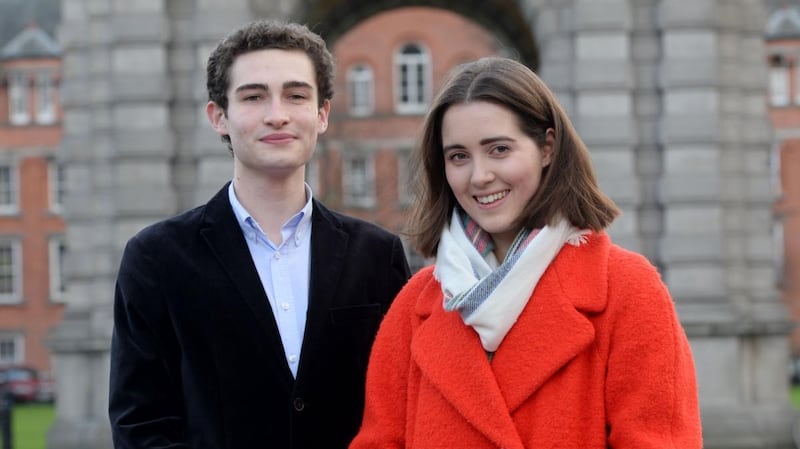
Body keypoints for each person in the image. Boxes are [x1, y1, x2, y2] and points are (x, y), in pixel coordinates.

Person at [349, 57, 702, 448]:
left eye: (499, 149)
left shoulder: (628, 290)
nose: (479, 176)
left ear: (547, 147)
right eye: (459, 156)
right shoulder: (415, 305)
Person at [109, 19, 411, 449]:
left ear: (322, 114)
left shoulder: (378, 255)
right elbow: (140, 426)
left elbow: (400, 408)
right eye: (253, 97)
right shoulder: (156, 258)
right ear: (219, 117)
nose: (277, 115)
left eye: (296, 95)